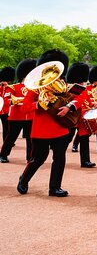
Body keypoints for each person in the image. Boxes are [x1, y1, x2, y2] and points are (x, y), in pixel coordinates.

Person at [18, 50, 78, 197]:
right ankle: (23, 179)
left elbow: (80, 97)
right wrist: (39, 104)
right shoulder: (35, 87)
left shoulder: (64, 86)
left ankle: (55, 187)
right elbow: (25, 107)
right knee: (38, 159)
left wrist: (69, 106)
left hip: (60, 127)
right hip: (41, 129)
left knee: (59, 157)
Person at [0, 59, 36, 163]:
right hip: (16, 116)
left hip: (30, 115)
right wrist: (14, 101)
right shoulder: (14, 87)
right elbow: (5, 100)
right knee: (11, 137)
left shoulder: (35, 88)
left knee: (31, 139)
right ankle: (3, 155)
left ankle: (30, 157)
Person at [67, 62, 97, 168]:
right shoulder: (71, 87)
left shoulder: (82, 88)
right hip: (71, 117)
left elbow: (87, 101)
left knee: (84, 139)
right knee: (67, 138)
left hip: (82, 117)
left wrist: (93, 104)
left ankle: (85, 161)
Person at [0, 66, 15, 141]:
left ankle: (6, 141)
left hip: (5, 110)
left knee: (6, 126)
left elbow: (10, 97)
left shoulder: (10, 87)